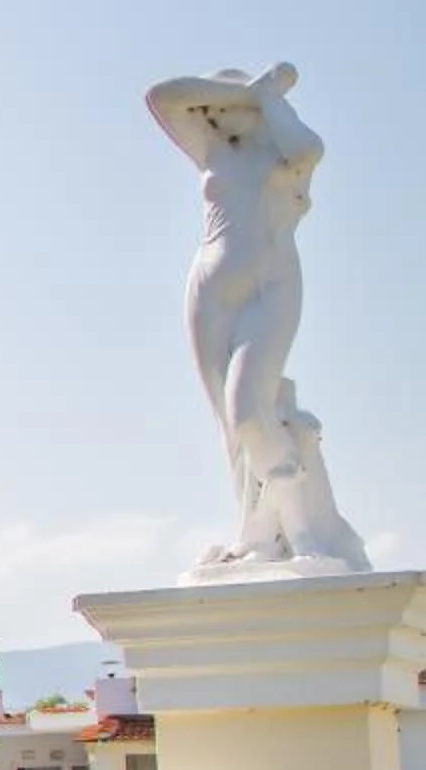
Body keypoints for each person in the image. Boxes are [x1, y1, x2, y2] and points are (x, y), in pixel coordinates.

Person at [144, 64, 369, 576]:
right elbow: (162, 96)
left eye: (226, 107)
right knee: (230, 425)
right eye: (212, 108)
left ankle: (299, 524)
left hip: (272, 285)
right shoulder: (213, 151)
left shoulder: (286, 155)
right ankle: (256, 534)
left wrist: (268, 100)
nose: (215, 115)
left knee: (250, 409)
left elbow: (309, 147)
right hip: (208, 290)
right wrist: (246, 91)